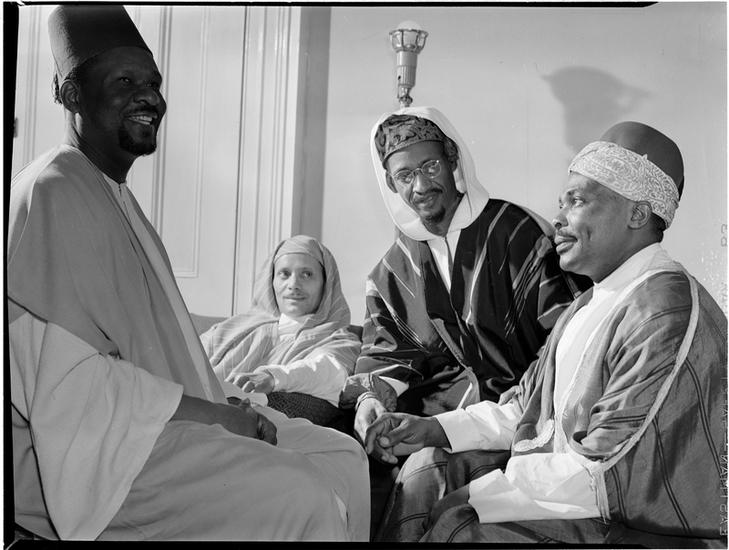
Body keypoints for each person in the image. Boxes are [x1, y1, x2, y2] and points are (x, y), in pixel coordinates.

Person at [8, 5, 369, 541]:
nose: (150, 97)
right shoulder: (51, 191)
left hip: (153, 420)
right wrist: (217, 417)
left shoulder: (114, 194)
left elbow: (164, 357)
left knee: (342, 455)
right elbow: (73, 386)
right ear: (72, 94)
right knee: (301, 492)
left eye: (153, 83)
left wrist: (224, 401)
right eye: (125, 81)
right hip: (95, 453)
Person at [365, 121, 727, 545]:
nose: (557, 219)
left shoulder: (663, 311)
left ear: (637, 214)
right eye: (561, 203)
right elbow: (526, 408)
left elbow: (608, 471)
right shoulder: (588, 304)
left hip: (642, 525)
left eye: (577, 201)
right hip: (578, 492)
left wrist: (482, 496)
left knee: (459, 527)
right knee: (428, 473)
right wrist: (434, 430)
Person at [341, 106, 588, 460]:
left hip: (528, 417)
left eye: (430, 167)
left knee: (427, 475)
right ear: (391, 184)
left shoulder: (517, 232)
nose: (421, 186)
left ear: (452, 160)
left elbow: (570, 332)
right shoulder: (391, 272)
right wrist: (369, 401)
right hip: (434, 422)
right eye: (405, 175)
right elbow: (386, 355)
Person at [201, 234, 361, 426]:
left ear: (326, 284)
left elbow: (327, 372)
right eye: (284, 274)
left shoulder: (338, 339)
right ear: (271, 281)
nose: (293, 285)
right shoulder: (230, 329)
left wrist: (273, 377)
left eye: (307, 274)